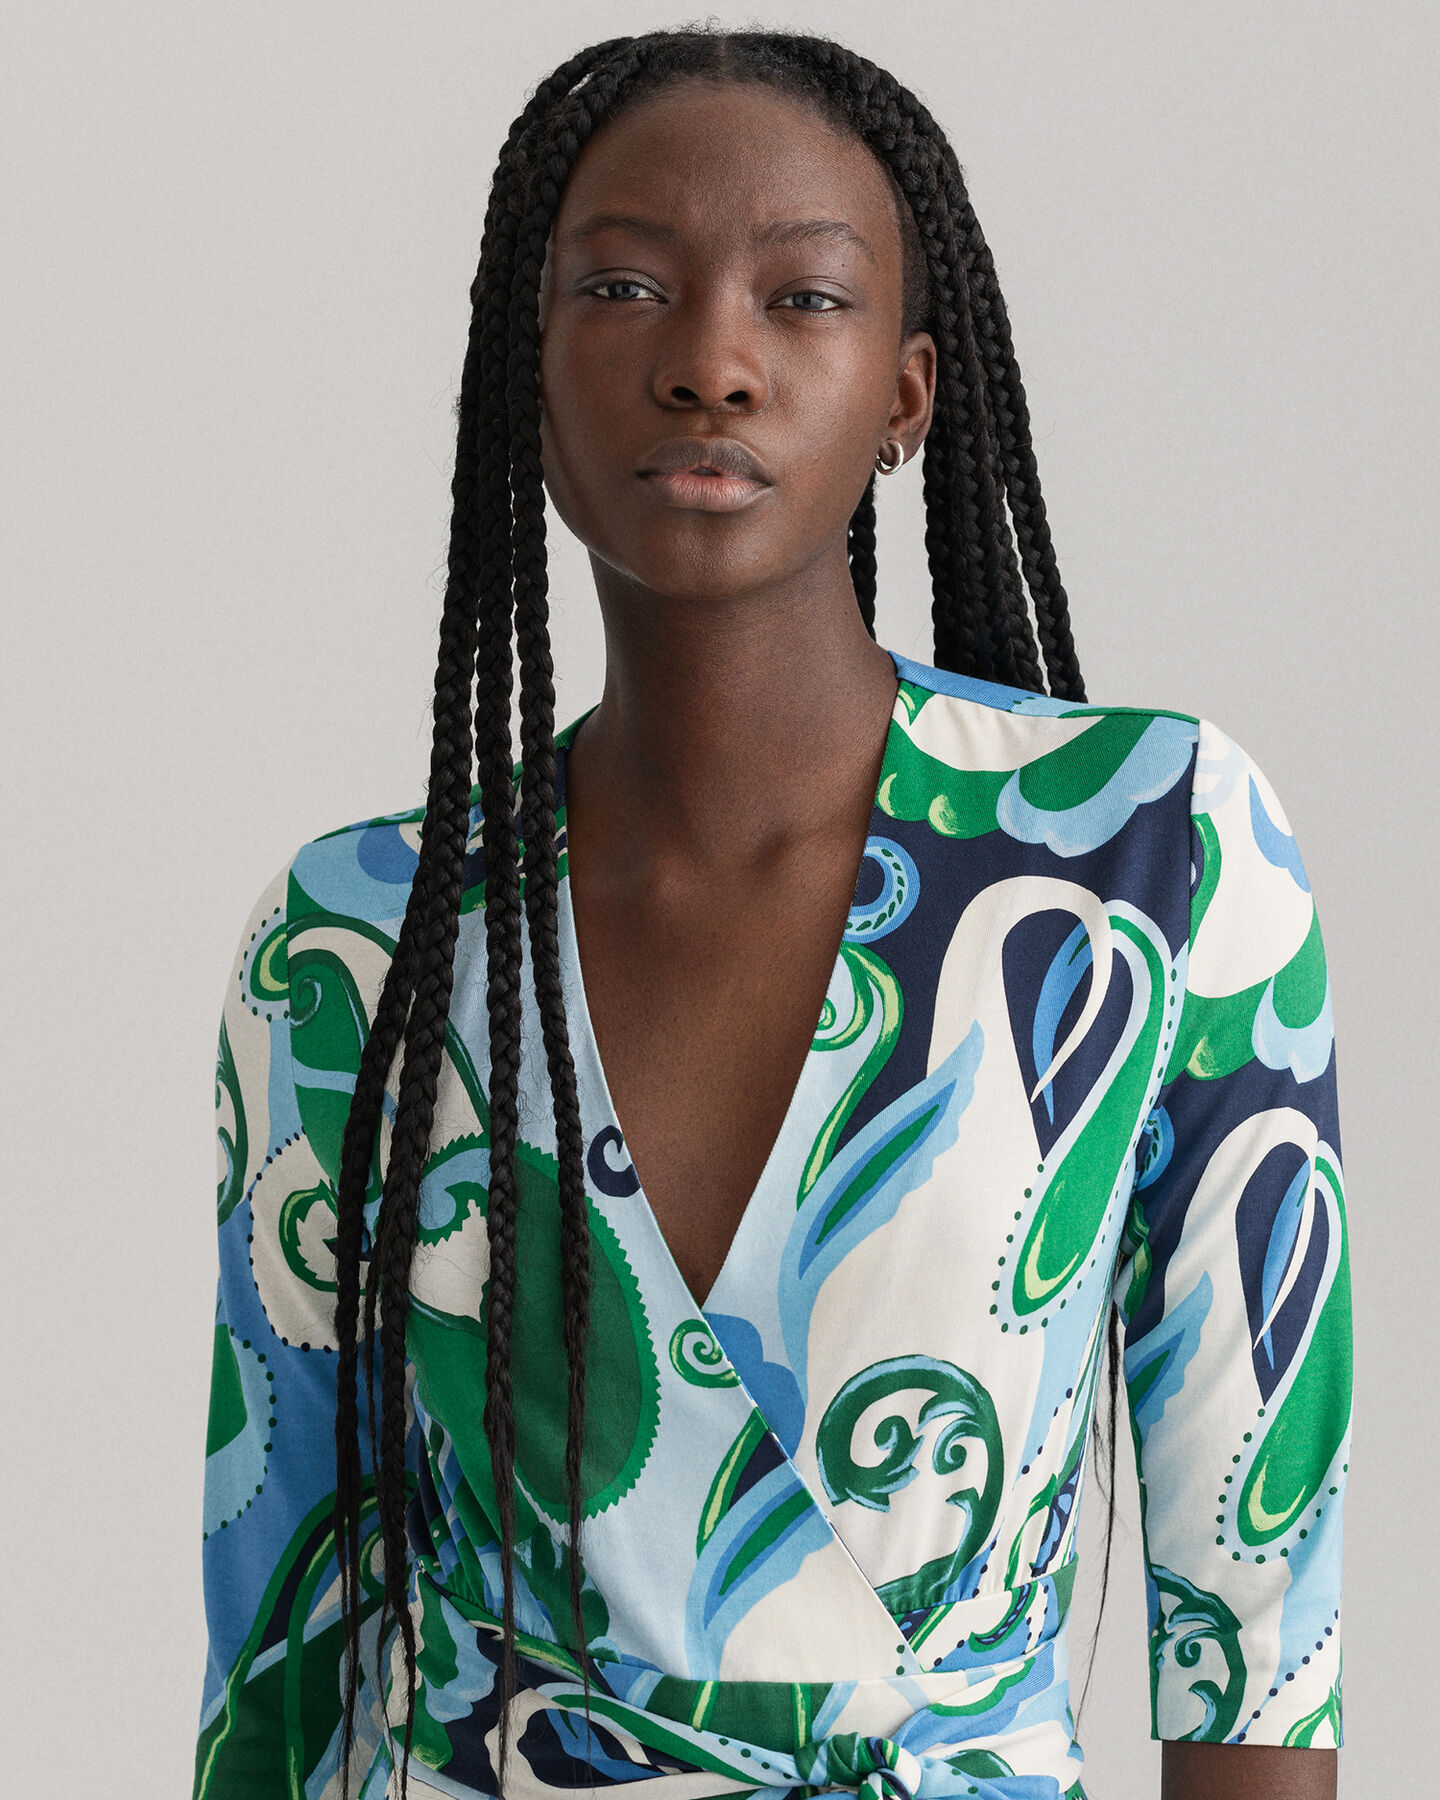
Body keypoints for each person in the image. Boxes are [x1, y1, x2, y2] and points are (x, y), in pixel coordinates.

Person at [192, 26, 1350, 1800]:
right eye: (625, 288)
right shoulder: (358, 944)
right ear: (528, 375)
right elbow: (281, 1652)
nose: (710, 364)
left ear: (906, 395)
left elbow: (1257, 1629)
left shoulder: (1151, 855)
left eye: (801, 299)